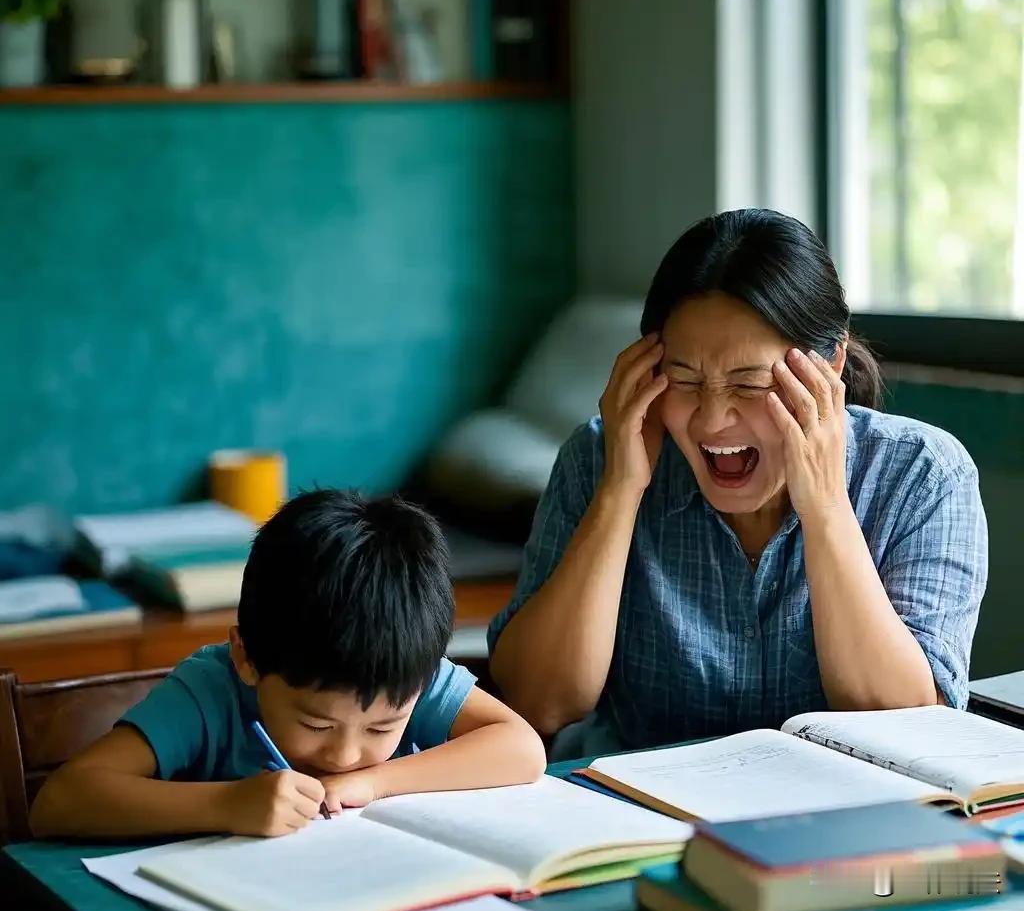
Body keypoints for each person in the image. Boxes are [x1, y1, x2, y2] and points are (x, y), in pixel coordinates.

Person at [488, 208, 987, 757]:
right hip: (639, 806)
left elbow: (906, 728)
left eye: (749, 384)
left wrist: (823, 504)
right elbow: (538, 703)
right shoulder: (599, 456)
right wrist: (618, 492)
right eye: (684, 380)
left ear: (832, 364)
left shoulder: (923, 474)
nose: (710, 420)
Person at [31, 490, 545, 838]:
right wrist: (225, 806)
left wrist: (375, 783)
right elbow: (61, 802)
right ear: (247, 657)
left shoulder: (403, 669)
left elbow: (522, 749)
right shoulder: (210, 692)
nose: (346, 755)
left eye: (384, 725)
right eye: (316, 722)